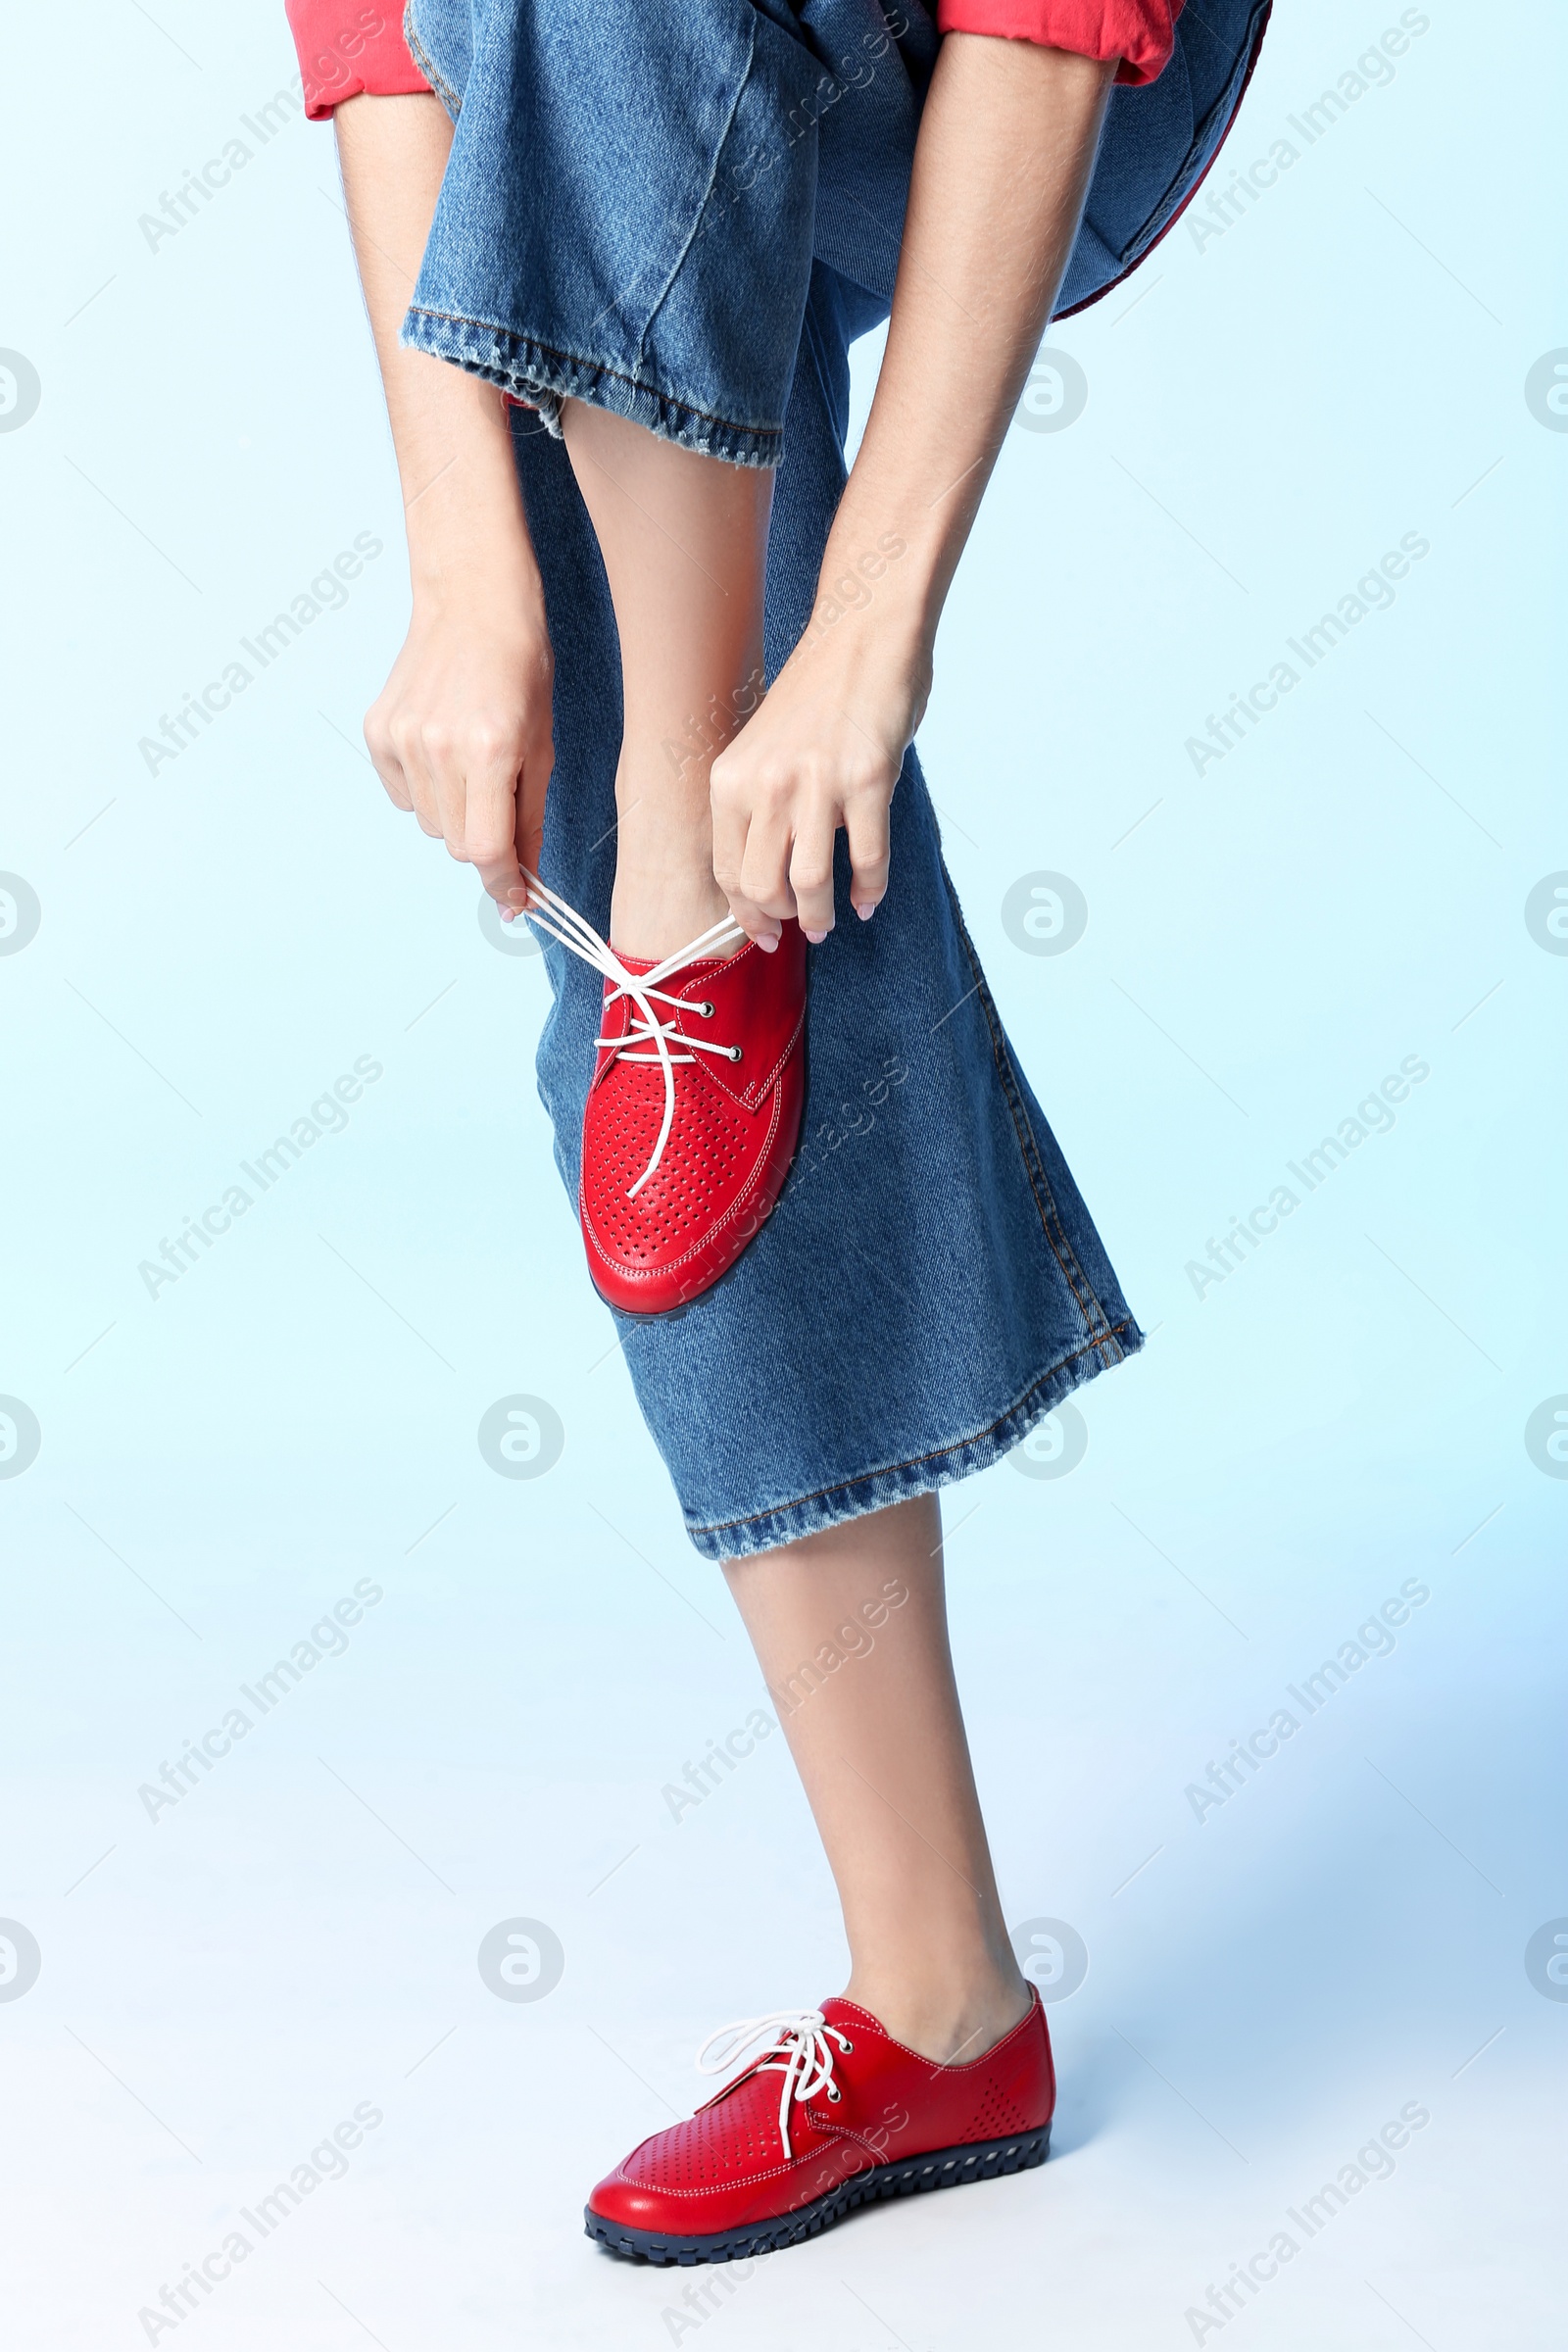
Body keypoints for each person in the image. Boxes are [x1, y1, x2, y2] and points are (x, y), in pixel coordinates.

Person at [284, 0, 1269, 2265]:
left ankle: (676, 864)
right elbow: (379, 22)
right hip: (624, 66)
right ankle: (936, 2006)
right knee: (644, 679)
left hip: (1055, 72)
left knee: (719, 754)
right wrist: (463, 565)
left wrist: (863, 636)